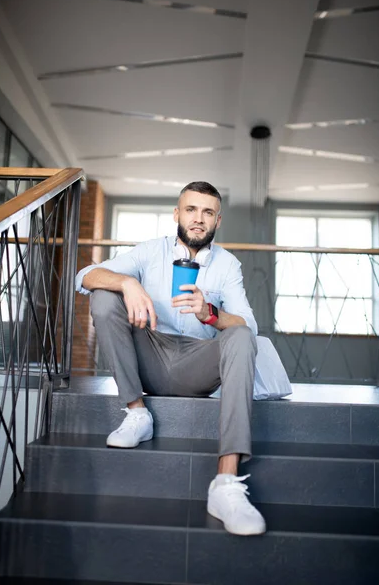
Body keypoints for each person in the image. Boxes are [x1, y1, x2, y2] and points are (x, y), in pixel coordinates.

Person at [75, 181, 266, 536]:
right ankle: (136, 412)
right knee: (104, 295)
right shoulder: (151, 251)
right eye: (191, 210)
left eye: (207, 212)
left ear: (217, 221)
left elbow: (248, 326)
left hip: (197, 364)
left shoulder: (227, 265)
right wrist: (128, 284)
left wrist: (211, 313)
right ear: (177, 214)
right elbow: (85, 276)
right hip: (149, 354)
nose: (198, 219)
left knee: (239, 335)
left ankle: (225, 484)